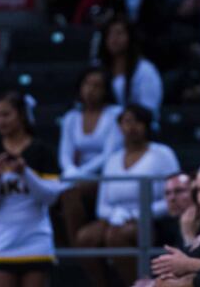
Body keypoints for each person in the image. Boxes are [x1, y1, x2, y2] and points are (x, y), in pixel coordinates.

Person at [76, 104, 180, 287]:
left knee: (116, 237)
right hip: (115, 217)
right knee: (85, 237)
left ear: (147, 125)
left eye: (137, 122)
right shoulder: (113, 159)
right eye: (126, 122)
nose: (132, 127)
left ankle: (139, 284)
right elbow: (102, 205)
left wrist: (138, 214)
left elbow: (177, 196)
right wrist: (116, 216)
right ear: (119, 126)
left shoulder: (162, 154)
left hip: (153, 219)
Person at [0, 91, 62, 287]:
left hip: (35, 241)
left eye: (6, 115)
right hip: (2, 242)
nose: (0, 121)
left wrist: (26, 173)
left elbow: (51, 197)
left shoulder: (42, 150)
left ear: (21, 115)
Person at [58, 68, 124, 247]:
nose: (90, 90)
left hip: (106, 175)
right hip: (75, 176)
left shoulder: (115, 114)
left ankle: (79, 250)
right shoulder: (71, 117)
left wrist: (78, 173)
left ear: (105, 90)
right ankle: (69, 248)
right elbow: (65, 154)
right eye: (87, 84)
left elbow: (109, 155)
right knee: (56, 195)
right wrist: (71, 171)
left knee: (71, 193)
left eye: (97, 86)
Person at [97, 16, 164, 115]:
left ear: (130, 37)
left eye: (119, 33)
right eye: (109, 34)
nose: (113, 38)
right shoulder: (98, 67)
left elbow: (149, 109)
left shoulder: (145, 70)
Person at [155, 173, 194, 248]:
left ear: (195, 193)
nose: (172, 198)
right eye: (167, 193)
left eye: (179, 191)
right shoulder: (161, 229)